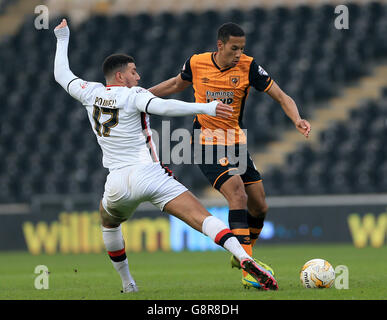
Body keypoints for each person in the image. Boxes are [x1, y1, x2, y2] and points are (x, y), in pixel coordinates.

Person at [53, 19, 278, 293]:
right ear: (121, 76)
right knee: (202, 218)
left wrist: (62, 38)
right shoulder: (133, 94)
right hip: (148, 175)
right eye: (134, 72)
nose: (139, 77)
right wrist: (205, 107)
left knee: (108, 223)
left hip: (115, 182)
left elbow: (61, 74)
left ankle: (129, 284)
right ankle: (244, 258)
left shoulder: (90, 93)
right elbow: (165, 106)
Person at [149, 22, 311, 289]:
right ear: (220, 45)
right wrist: (140, 95)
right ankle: (249, 266)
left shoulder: (249, 67)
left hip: (236, 143)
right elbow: (177, 84)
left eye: (242, 48)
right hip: (206, 142)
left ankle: (242, 255)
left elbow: (282, 96)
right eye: (234, 48)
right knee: (237, 193)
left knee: (259, 206)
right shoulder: (197, 63)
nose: (239, 53)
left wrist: (297, 118)